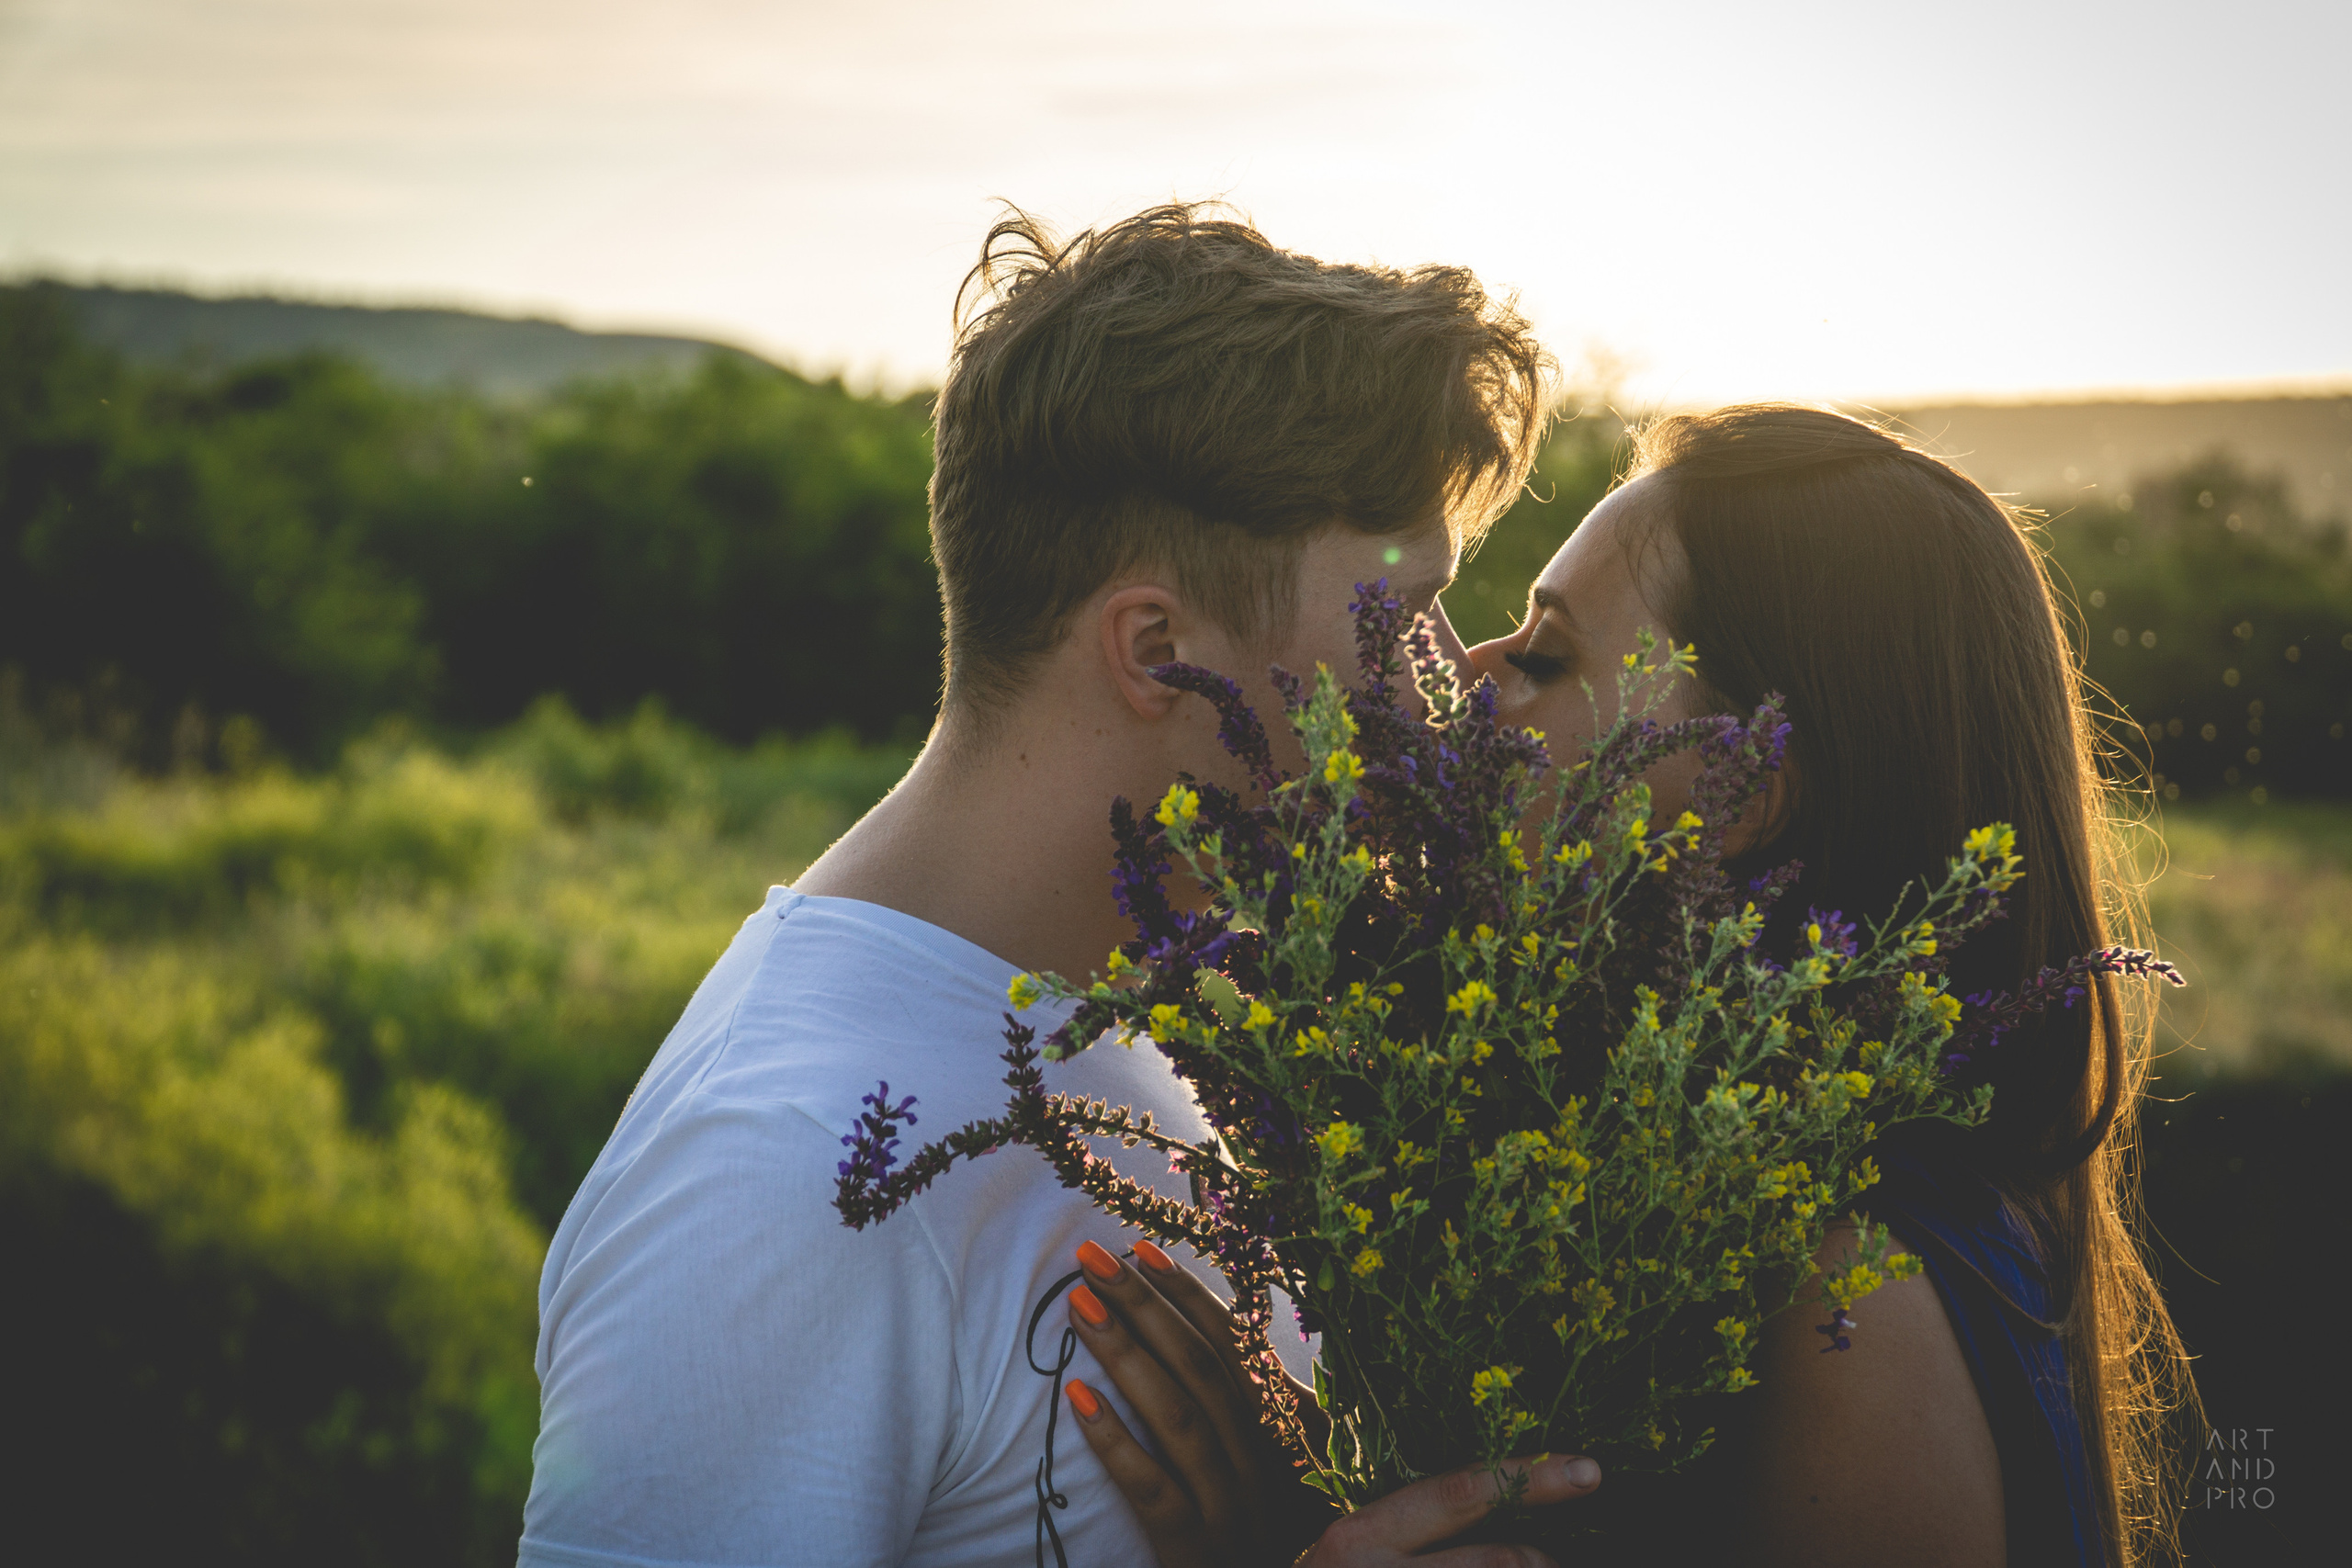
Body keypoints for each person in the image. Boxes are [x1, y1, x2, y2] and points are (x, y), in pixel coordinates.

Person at [515, 203, 1560, 1568]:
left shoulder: (1125, 1027)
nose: (1442, 689)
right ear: (1157, 648)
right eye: (1398, 615)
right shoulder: (780, 1170)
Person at [1064, 406, 2199, 1568]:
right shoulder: (1657, 1196)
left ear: (1735, 794)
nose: (1467, 672)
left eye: (1546, 657)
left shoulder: (1850, 1296)